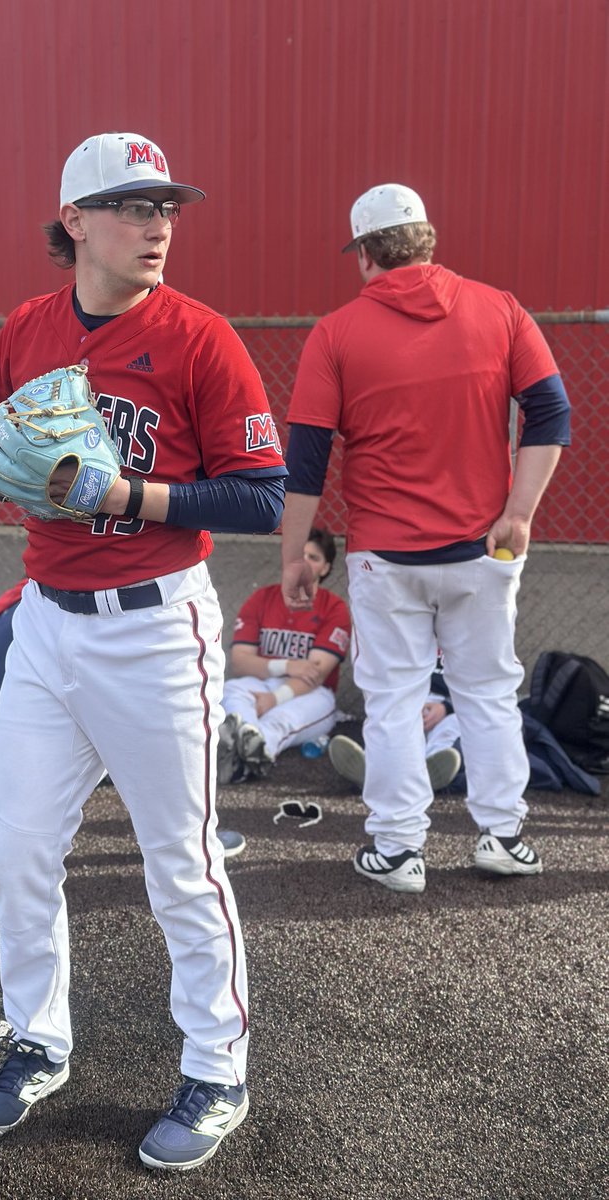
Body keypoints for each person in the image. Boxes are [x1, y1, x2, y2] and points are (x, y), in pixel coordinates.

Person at [0, 132, 287, 1170]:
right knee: (17, 848)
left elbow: (261, 496)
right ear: (74, 222)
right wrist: (6, 479)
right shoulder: (27, 328)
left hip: (155, 629)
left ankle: (217, 1065)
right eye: (133, 206)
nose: (158, 226)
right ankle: (37, 1037)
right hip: (49, 623)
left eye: (167, 208)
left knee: (180, 864)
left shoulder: (199, 337)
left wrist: (124, 495)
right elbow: (4, 466)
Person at [281, 182, 571, 893]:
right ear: (427, 238)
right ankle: (503, 837)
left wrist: (295, 554)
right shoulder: (500, 309)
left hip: (387, 556)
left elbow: (307, 460)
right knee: (489, 694)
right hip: (482, 549)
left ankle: (398, 850)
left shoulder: (336, 332)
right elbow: (551, 413)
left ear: (365, 255)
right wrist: (521, 510)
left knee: (393, 700)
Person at [0, 581, 248, 858]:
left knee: (22, 845)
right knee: (173, 818)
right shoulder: (73, 611)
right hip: (110, 634)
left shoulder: (20, 607)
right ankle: (197, 837)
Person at [218, 526, 351, 783]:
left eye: (314, 558)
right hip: (262, 682)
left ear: (325, 569)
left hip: (310, 694)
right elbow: (240, 661)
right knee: (231, 689)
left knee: (281, 719)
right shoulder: (262, 598)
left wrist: (274, 698)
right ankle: (247, 752)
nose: (304, 563)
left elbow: (314, 674)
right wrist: (288, 665)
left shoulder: (334, 608)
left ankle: (243, 753)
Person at [328, 657, 462, 792]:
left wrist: (447, 706)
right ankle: (372, 769)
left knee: (450, 727)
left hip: (453, 703)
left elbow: (478, 690)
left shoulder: (471, 638)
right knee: (391, 719)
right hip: (411, 694)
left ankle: (430, 774)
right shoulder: (413, 637)